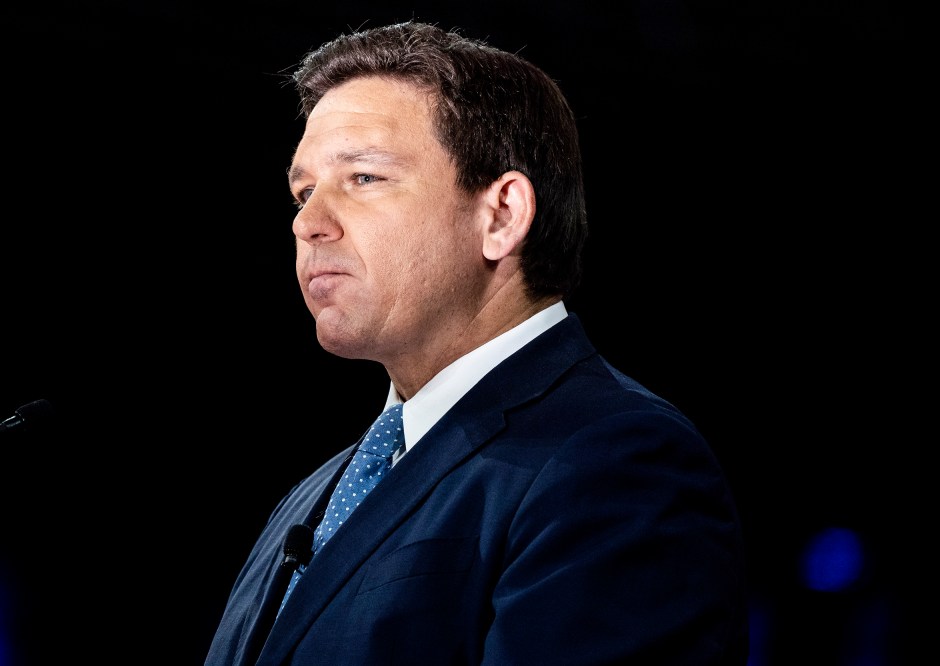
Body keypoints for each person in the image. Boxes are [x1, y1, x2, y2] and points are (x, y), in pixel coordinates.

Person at [205, 20, 748, 665]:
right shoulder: (317, 492)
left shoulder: (616, 465)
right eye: (302, 192)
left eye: (364, 178)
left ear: (501, 215)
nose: (308, 222)